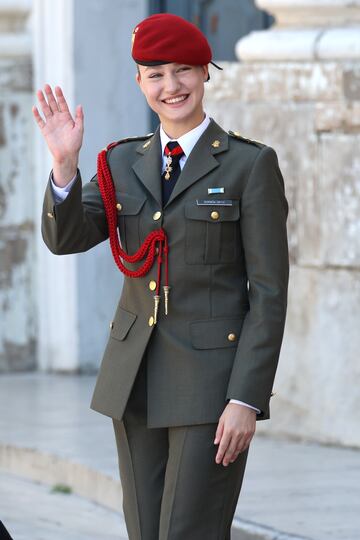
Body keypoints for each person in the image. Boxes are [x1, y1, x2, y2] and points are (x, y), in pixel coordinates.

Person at [33, 12, 289, 540]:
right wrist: (63, 165)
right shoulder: (122, 163)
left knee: (188, 532)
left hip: (211, 386)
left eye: (182, 71)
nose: (170, 86)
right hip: (135, 380)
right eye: (155, 74)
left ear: (205, 73)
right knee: (146, 532)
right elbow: (66, 238)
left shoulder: (248, 165)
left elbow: (268, 293)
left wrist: (246, 398)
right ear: (139, 82)